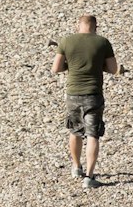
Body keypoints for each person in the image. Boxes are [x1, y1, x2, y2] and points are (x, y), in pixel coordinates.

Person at [52, 14, 122, 188]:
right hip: (93, 95)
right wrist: (98, 66)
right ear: (95, 27)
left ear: (79, 25)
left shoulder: (66, 41)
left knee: (75, 131)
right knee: (93, 134)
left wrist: (72, 65)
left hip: (73, 94)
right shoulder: (102, 42)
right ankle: (89, 178)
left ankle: (76, 167)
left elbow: (56, 68)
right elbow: (114, 69)